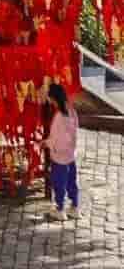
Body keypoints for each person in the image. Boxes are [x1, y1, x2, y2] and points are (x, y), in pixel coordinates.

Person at [45, 82, 79, 220]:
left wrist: (45, 143)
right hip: (70, 154)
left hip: (59, 156)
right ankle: (75, 207)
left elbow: (54, 138)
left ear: (54, 100)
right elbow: (75, 131)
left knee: (59, 183)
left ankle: (60, 210)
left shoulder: (58, 117)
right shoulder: (72, 111)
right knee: (71, 182)